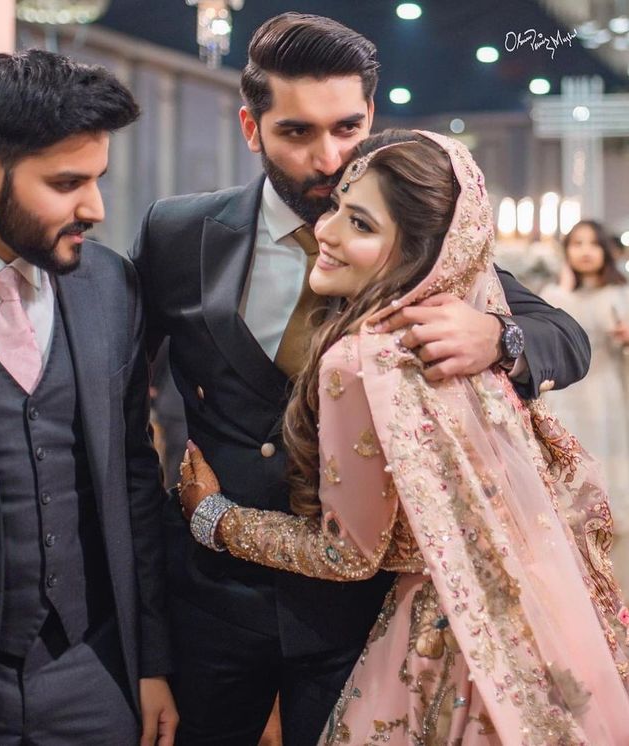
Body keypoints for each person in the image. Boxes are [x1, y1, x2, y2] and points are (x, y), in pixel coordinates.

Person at [132, 13, 590, 744]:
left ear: (371, 115)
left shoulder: (421, 245)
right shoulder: (176, 232)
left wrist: (495, 337)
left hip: (361, 620)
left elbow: (564, 338)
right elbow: (124, 408)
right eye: (296, 133)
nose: (328, 156)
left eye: (347, 127)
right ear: (252, 129)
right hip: (209, 605)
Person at [0, 50, 177, 746]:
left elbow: (135, 485)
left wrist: (149, 662)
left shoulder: (111, 285)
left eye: (98, 179)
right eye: (66, 183)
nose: (95, 208)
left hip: (92, 674)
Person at [542, 220, 629, 591]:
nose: (585, 251)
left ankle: (609, 527)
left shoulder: (619, 294)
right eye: (577, 243)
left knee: (607, 459)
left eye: (593, 243)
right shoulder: (554, 293)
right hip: (567, 396)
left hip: (606, 394)